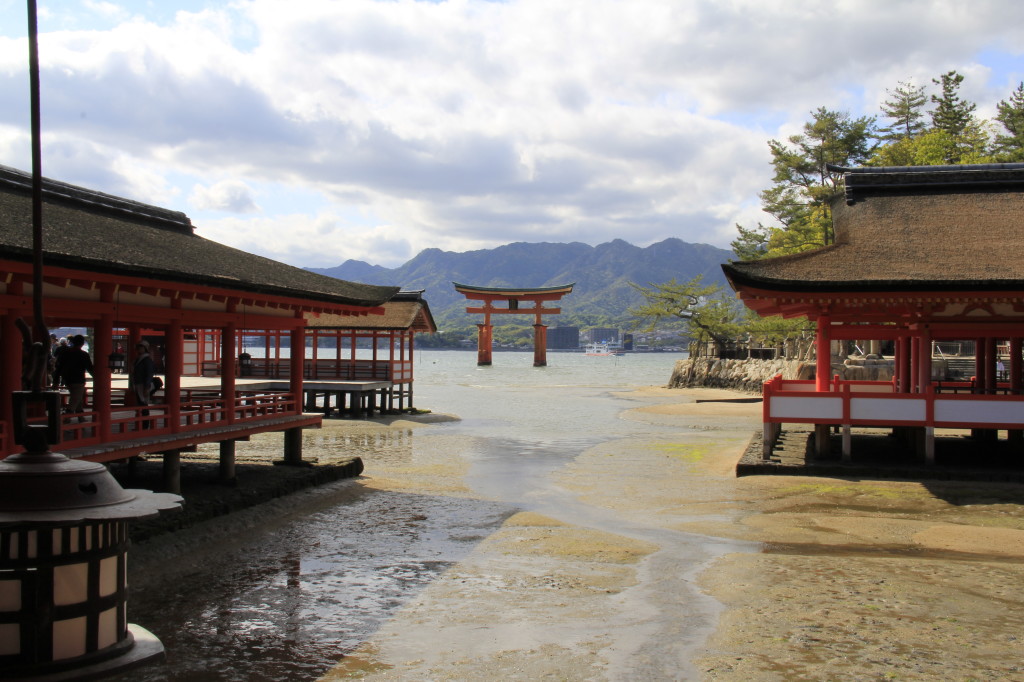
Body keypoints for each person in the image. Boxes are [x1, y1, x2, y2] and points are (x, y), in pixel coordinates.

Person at [54, 334, 94, 420]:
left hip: (67, 379)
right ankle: (66, 416)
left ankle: (80, 416)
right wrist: (98, 377)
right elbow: (90, 368)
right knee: (76, 398)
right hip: (79, 379)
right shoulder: (84, 355)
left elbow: (59, 368)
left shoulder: (65, 353)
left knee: (77, 397)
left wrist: (56, 381)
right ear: (82, 344)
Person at [132, 341, 156, 420]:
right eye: (138, 348)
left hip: (143, 385)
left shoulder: (147, 360)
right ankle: (141, 424)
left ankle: (144, 425)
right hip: (138, 384)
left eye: (141, 348)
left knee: (143, 404)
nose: (139, 349)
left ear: (145, 349)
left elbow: (149, 374)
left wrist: (146, 387)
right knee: (140, 403)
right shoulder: (138, 359)